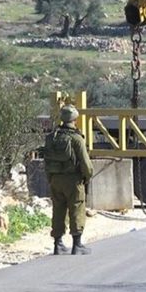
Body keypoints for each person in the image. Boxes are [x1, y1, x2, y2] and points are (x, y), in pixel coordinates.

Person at [44, 104, 94, 255]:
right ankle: (77, 245)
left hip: (55, 179)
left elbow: (46, 161)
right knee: (77, 208)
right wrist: (87, 177)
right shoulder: (76, 139)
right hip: (73, 180)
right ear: (75, 120)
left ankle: (58, 244)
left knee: (58, 210)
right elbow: (86, 164)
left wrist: (51, 178)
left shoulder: (51, 138)